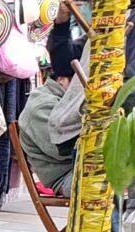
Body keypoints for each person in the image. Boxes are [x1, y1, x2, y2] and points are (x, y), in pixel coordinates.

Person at [14, 19, 86, 196]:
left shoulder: (60, 102)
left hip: (76, 170)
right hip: (65, 176)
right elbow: (62, 150)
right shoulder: (43, 105)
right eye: (76, 84)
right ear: (61, 80)